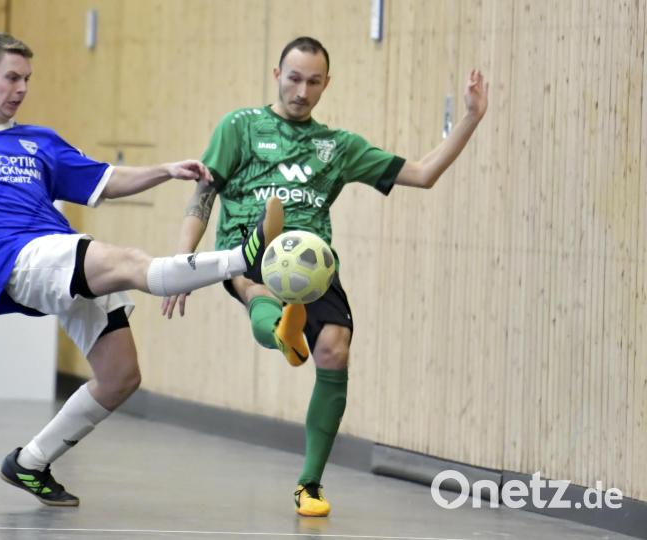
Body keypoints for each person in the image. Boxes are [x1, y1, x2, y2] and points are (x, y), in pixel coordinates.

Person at [0, 33, 284, 507]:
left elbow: (106, 180)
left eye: (27, 79)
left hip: (60, 249)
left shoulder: (39, 140)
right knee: (127, 262)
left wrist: (165, 169)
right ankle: (242, 259)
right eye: (12, 78)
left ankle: (30, 462)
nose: (21, 88)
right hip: (17, 259)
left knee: (121, 376)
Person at [162, 36, 488, 517]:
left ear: (326, 84)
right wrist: (183, 263)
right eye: (293, 78)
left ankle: (309, 483)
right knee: (255, 281)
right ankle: (280, 327)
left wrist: (471, 118)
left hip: (312, 260)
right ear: (277, 75)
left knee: (334, 349)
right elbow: (203, 196)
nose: (301, 91)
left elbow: (421, 174)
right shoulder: (240, 126)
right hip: (247, 248)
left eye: (314, 82)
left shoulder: (337, 146)